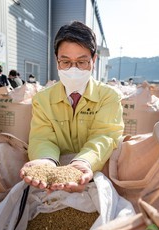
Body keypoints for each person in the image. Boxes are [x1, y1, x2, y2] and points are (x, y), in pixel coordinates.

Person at [21, 21, 124, 193]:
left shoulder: (109, 97)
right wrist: (45, 161)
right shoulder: (42, 99)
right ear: (57, 61)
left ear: (94, 60)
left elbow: (104, 135)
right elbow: (42, 137)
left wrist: (84, 162)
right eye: (66, 62)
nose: (73, 69)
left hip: (96, 172)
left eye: (82, 62)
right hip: (53, 178)